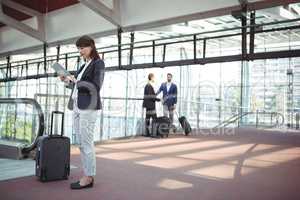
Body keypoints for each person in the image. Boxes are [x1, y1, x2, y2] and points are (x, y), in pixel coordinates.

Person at [59, 35, 105, 189]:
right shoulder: (83, 65)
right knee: (81, 143)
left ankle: (89, 176)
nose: (80, 51)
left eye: (82, 48)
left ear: (91, 46)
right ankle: (87, 174)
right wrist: (67, 80)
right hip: (78, 105)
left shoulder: (98, 63)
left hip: (89, 107)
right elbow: (76, 86)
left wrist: (76, 81)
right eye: (78, 49)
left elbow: (96, 86)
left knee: (86, 143)